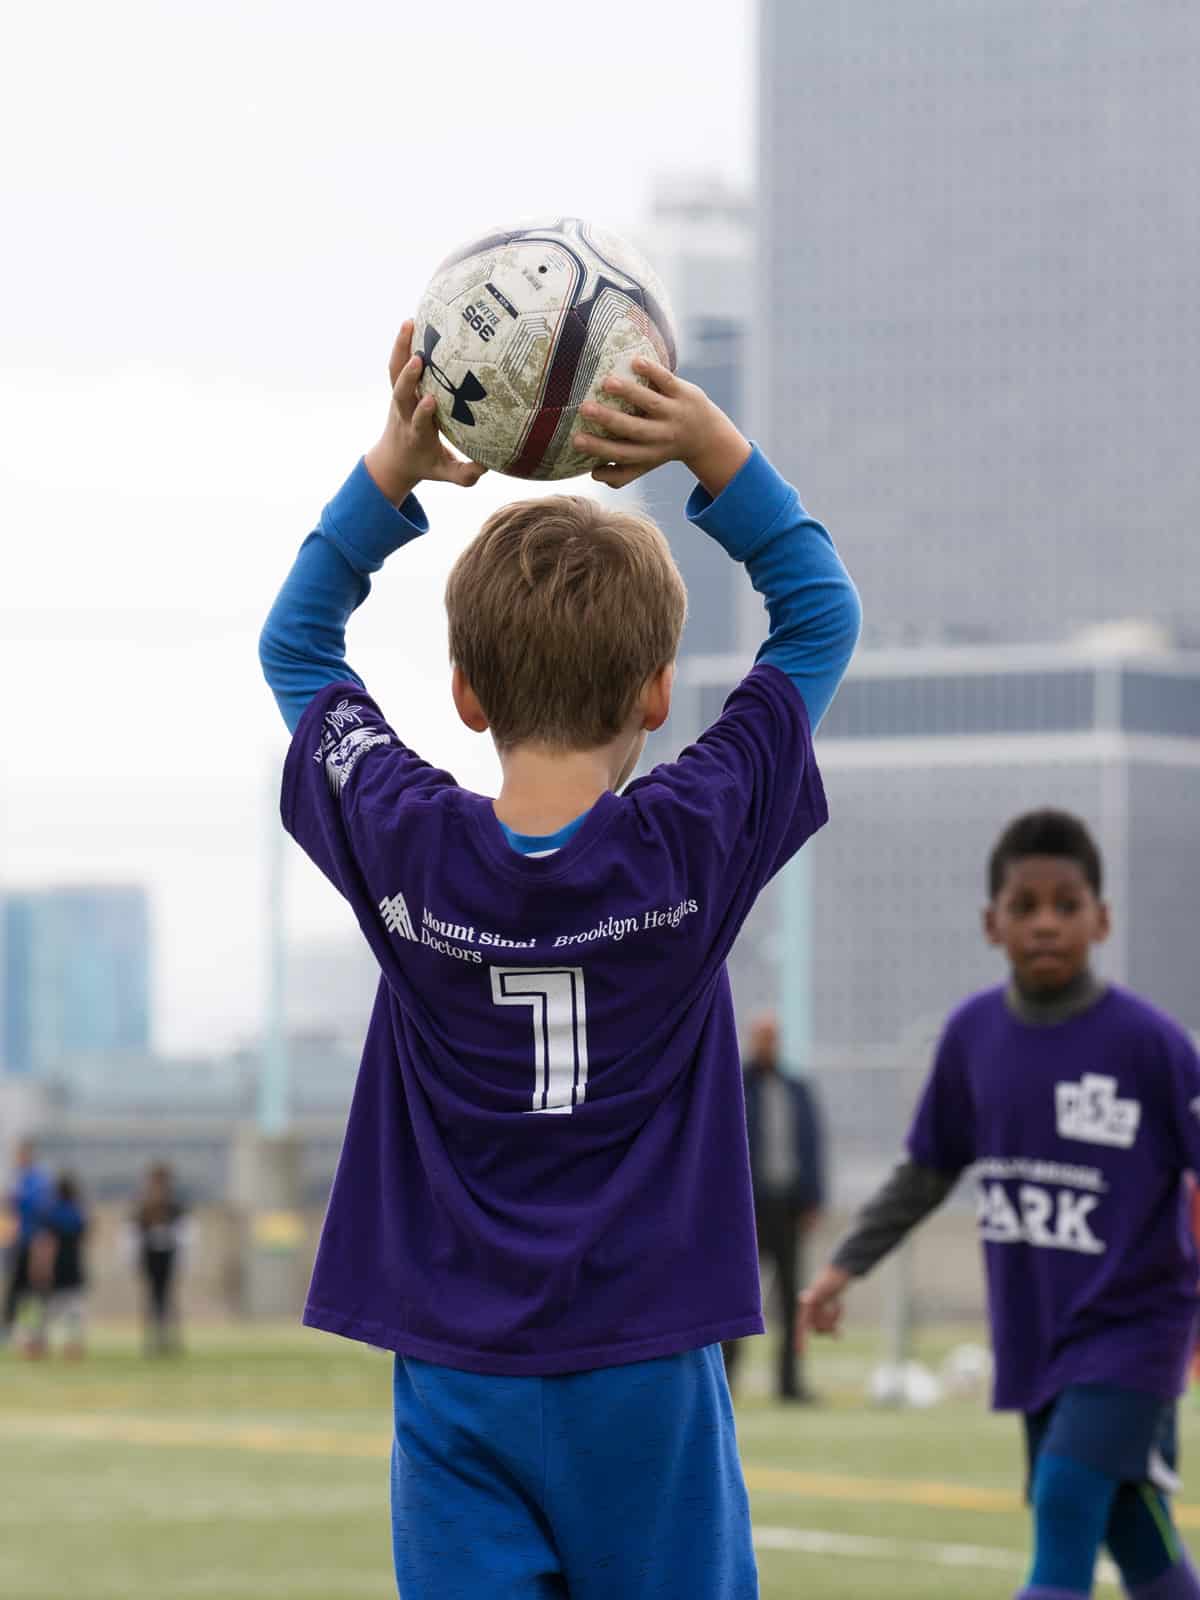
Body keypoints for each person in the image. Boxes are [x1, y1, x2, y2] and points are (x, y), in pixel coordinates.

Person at [258, 321, 860, 1599]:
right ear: (656, 691)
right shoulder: (692, 839)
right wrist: (708, 446)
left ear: (466, 691)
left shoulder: (407, 845)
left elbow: (296, 647)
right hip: (647, 1368)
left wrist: (395, 466)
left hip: (457, 1369)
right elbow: (818, 618)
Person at [802, 809, 1200, 1600]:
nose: (1046, 923)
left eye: (1066, 904)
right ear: (993, 923)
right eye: (1026, 906)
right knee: (1136, 1533)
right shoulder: (972, 1038)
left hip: (1133, 1334)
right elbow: (926, 1173)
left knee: (1062, 1509)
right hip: (1037, 1338)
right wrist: (841, 1271)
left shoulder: (1151, 1046)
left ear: (1101, 917)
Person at [723, 1013, 825, 1401]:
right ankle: (730, 1382)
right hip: (747, 1210)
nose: (768, 1044)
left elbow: (813, 1147)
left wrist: (814, 1198)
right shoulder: (735, 1085)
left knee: (791, 1300)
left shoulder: (797, 1089)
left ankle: (789, 1385)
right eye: (762, 1037)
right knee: (738, 1297)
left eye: (774, 1037)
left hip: (789, 1207)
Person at [27, 1173, 88, 1359]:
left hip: (54, 1265)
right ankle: (73, 1346)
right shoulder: (78, 1213)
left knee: (45, 1307)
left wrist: (40, 1266)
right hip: (74, 1264)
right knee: (74, 1308)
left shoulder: (50, 1213)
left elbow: (45, 1243)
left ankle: (38, 1345)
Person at [130, 1163, 188, 1355]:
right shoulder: (144, 1206)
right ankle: (152, 1340)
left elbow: (183, 1232)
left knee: (167, 1299)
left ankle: (169, 1339)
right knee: (152, 1298)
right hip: (150, 1255)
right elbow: (135, 1234)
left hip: (168, 1254)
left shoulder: (173, 1205)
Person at [2, 1138, 52, 1344]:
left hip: (34, 1242)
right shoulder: (17, 1178)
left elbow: (41, 1208)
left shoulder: (38, 1180)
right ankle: (8, 1328)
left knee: (36, 1288)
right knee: (15, 1287)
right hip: (17, 1241)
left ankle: (37, 1330)